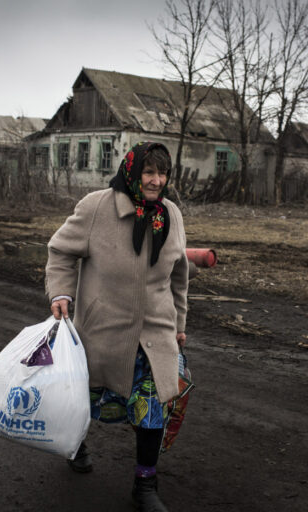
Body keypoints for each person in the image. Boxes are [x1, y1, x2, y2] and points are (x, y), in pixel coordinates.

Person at [45, 141, 188, 512]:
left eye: (163, 173)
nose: (157, 180)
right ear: (132, 171)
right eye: (149, 172)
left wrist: (180, 325)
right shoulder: (97, 207)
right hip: (101, 331)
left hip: (154, 334)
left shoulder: (170, 214)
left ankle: (145, 484)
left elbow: (179, 276)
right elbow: (61, 251)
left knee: (153, 405)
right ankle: (74, 445)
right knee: (84, 401)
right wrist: (60, 292)